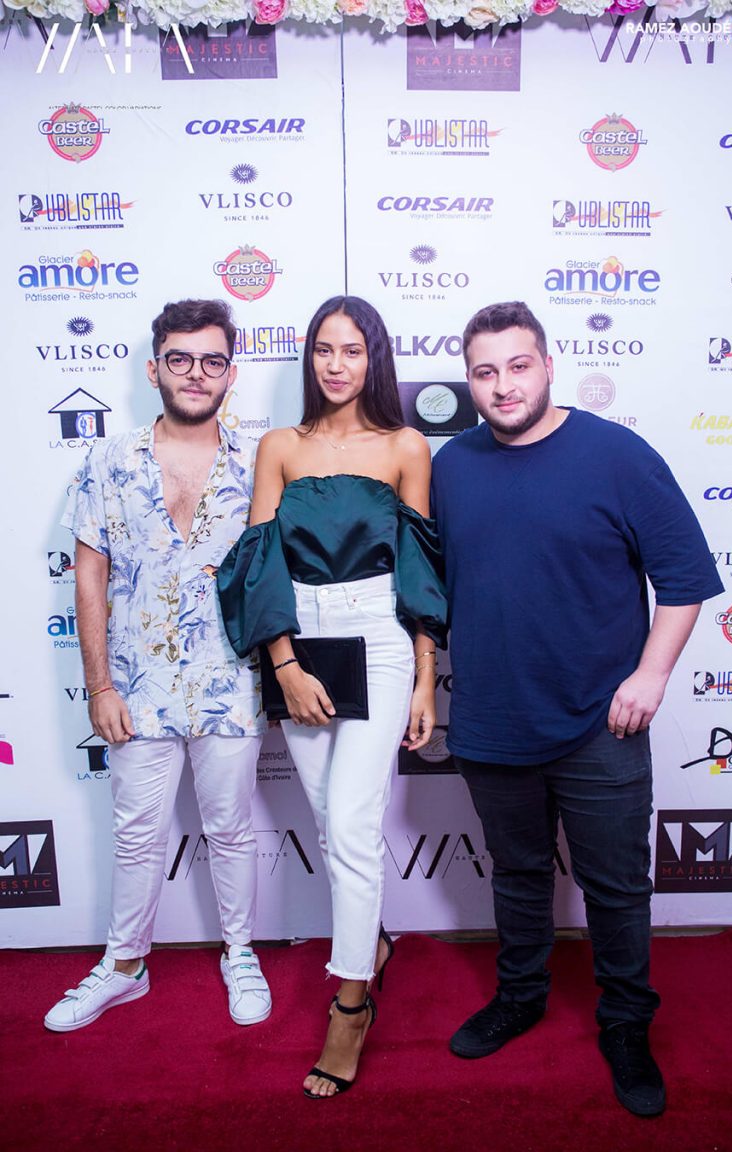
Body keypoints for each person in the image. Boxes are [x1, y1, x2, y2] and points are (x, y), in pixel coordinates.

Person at [430, 301, 724, 1118]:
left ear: (549, 365)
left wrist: (651, 677)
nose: (503, 385)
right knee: (518, 875)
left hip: (602, 721)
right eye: (485, 372)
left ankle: (626, 1024)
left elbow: (685, 577)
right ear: (470, 381)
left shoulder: (617, 455)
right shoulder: (451, 466)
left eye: (518, 365)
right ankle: (520, 997)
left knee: (617, 887)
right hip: (492, 721)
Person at [217, 295, 447, 1098]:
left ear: (373, 358)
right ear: (309, 357)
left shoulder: (406, 445)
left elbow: (420, 567)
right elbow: (259, 561)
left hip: (378, 636)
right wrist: (282, 662)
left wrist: (425, 677)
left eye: (352, 350)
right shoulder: (279, 446)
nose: (336, 364)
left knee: (350, 821)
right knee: (326, 817)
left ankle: (351, 1005)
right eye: (323, 348)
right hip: (300, 641)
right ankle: (372, 940)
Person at [44, 299, 271, 1033]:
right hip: (136, 688)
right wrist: (100, 685)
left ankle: (241, 953)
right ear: (155, 369)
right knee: (137, 833)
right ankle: (124, 966)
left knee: (231, 828)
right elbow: (88, 576)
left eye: (211, 360)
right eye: (180, 358)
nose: (195, 373)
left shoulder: (260, 461)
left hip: (230, 682)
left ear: (230, 373)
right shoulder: (108, 461)